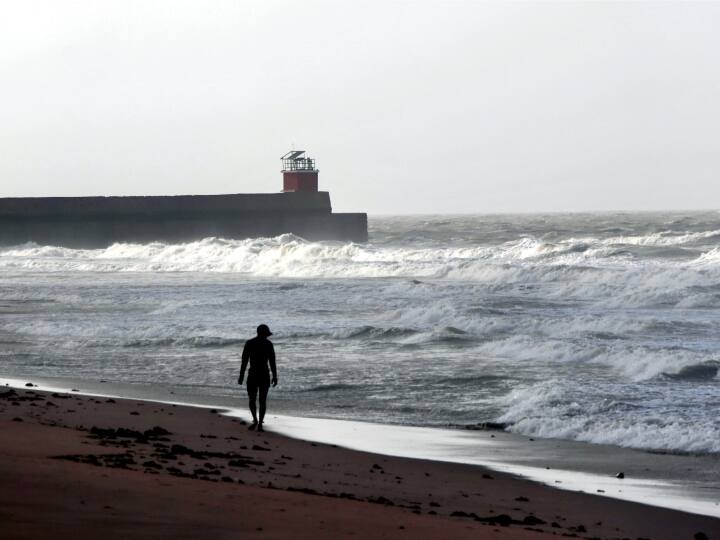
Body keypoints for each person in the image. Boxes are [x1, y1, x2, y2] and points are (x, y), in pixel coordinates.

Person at [238, 324, 277, 432]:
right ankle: (260, 423)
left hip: (253, 374)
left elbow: (244, 361)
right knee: (262, 400)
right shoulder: (268, 344)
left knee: (252, 399)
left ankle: (255, 420)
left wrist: (241, 375)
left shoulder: (249, 343)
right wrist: (275, 376)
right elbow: (272, 362)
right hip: (264, 374)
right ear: (265, 333)